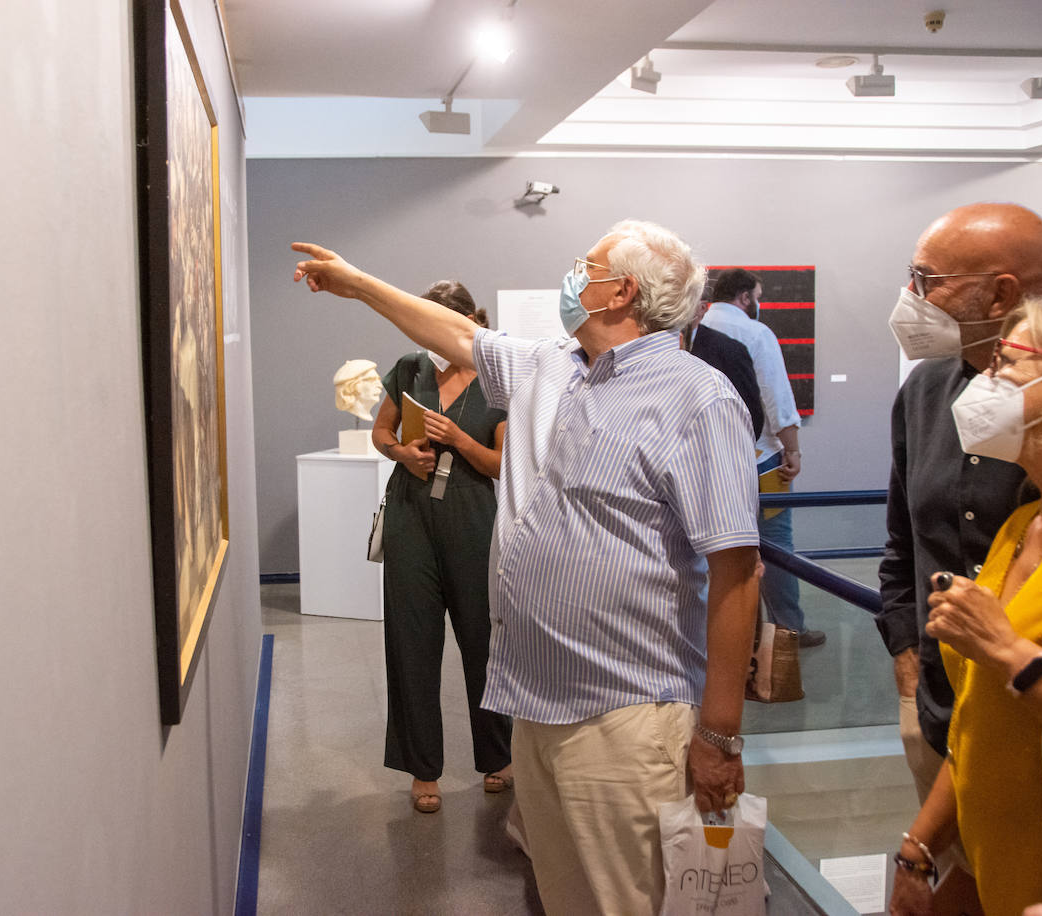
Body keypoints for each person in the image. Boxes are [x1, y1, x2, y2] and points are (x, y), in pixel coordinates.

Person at [292, 219, 761, 915]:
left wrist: (719, 736)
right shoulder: (552, 366)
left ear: (619, 291)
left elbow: (737, 572)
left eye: (587, 265)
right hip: (537, 707)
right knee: (561, 896)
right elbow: (452, 334)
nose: (573, 275)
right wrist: (357, 284)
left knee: (623, 900)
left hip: (626, 714)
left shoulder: (699, 399)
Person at [890, 294, 1042, 915]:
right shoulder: (1023, 524)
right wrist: (921, 848)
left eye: (1006, 361)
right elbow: (977, 721)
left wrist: (1009, 651)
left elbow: (1010, 665)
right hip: (1007, 883)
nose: (984, 381)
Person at [877, 203, 1042, 833]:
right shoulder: (925, 390)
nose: (911, 295)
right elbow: (903, 541)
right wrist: (906, 647)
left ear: (1000, 294)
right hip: (937, 704)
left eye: (927, 280)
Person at [369, 280, 511, 814]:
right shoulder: (410, 368)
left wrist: (460, 442)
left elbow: (504, 464)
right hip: (411, 516)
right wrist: (403, 455)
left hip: (474, 518)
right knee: (412, 643)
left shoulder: (499, 380)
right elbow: (381, 433)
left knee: (484, 640)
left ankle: (498, 755)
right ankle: (422, 768)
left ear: (467, 324)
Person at [700, 269, 818, 645]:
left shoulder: (690, 333)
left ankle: (729, 635)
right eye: (758, 295)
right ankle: (787, 631)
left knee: (717, 551)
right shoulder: (755, 334)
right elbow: (777, 398)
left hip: (707, 461)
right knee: (777, 545)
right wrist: (793, 449)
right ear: (745, 298)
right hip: (760, 461)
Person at [685, 301, 765, 439]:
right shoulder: (654, 346)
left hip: (716, 448)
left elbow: (750, 415)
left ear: (702, 308)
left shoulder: (730, 350)